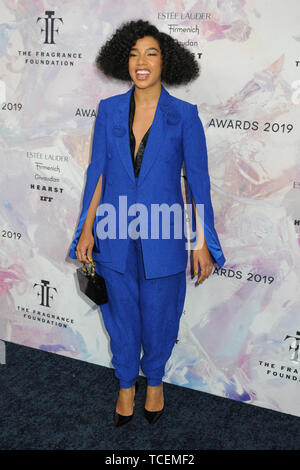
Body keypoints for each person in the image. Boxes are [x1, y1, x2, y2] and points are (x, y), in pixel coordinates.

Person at [68, 19, 226, 427]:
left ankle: (153, 380)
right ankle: (125, 384)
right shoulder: (109, 110)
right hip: (113, 230)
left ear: (165, 62)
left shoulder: (184, 115)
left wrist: (201, 240)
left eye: (151, 53)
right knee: (119, 315)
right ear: (125, 61)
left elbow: (199, 183)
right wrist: (86, 229)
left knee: (160, 315)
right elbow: (97, 173)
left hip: (165, 233)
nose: (142, 62)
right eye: (134, 54)